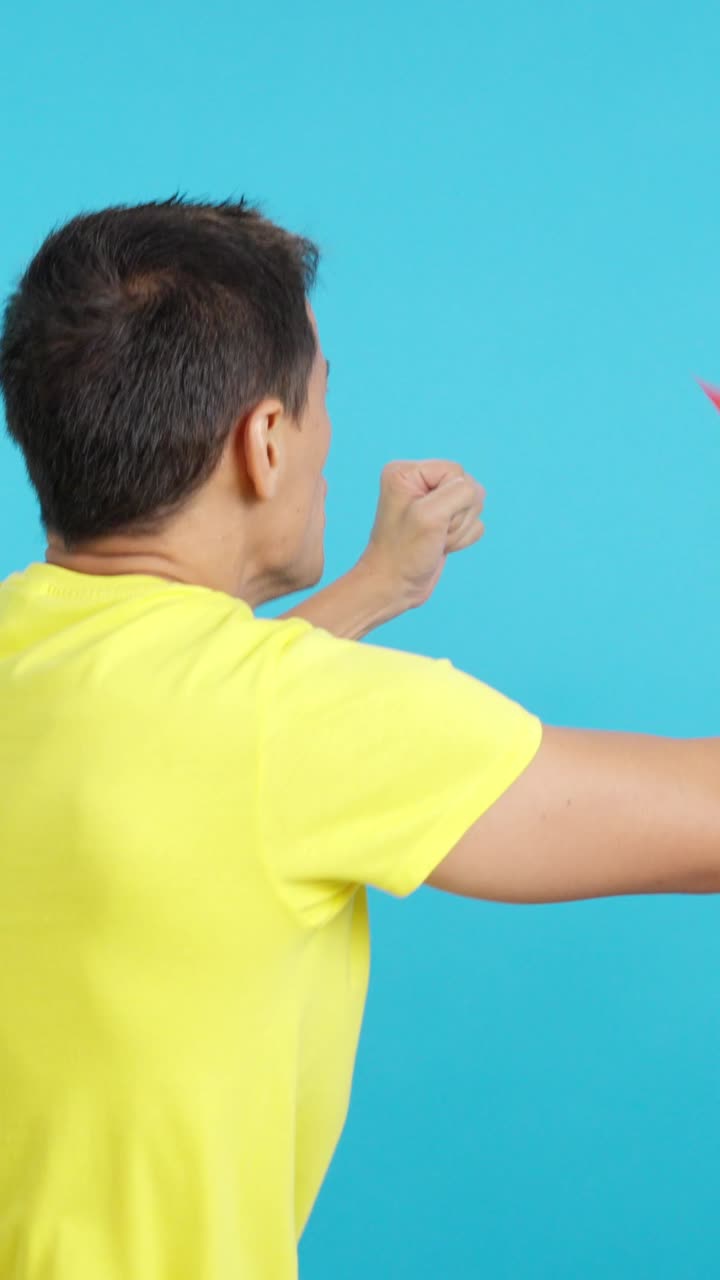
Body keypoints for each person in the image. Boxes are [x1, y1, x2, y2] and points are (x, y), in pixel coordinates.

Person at [0, 197, 717, 1280]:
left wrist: (370, 591)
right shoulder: (304, 718)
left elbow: (165, 727)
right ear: (269, 440)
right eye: (324, 399)